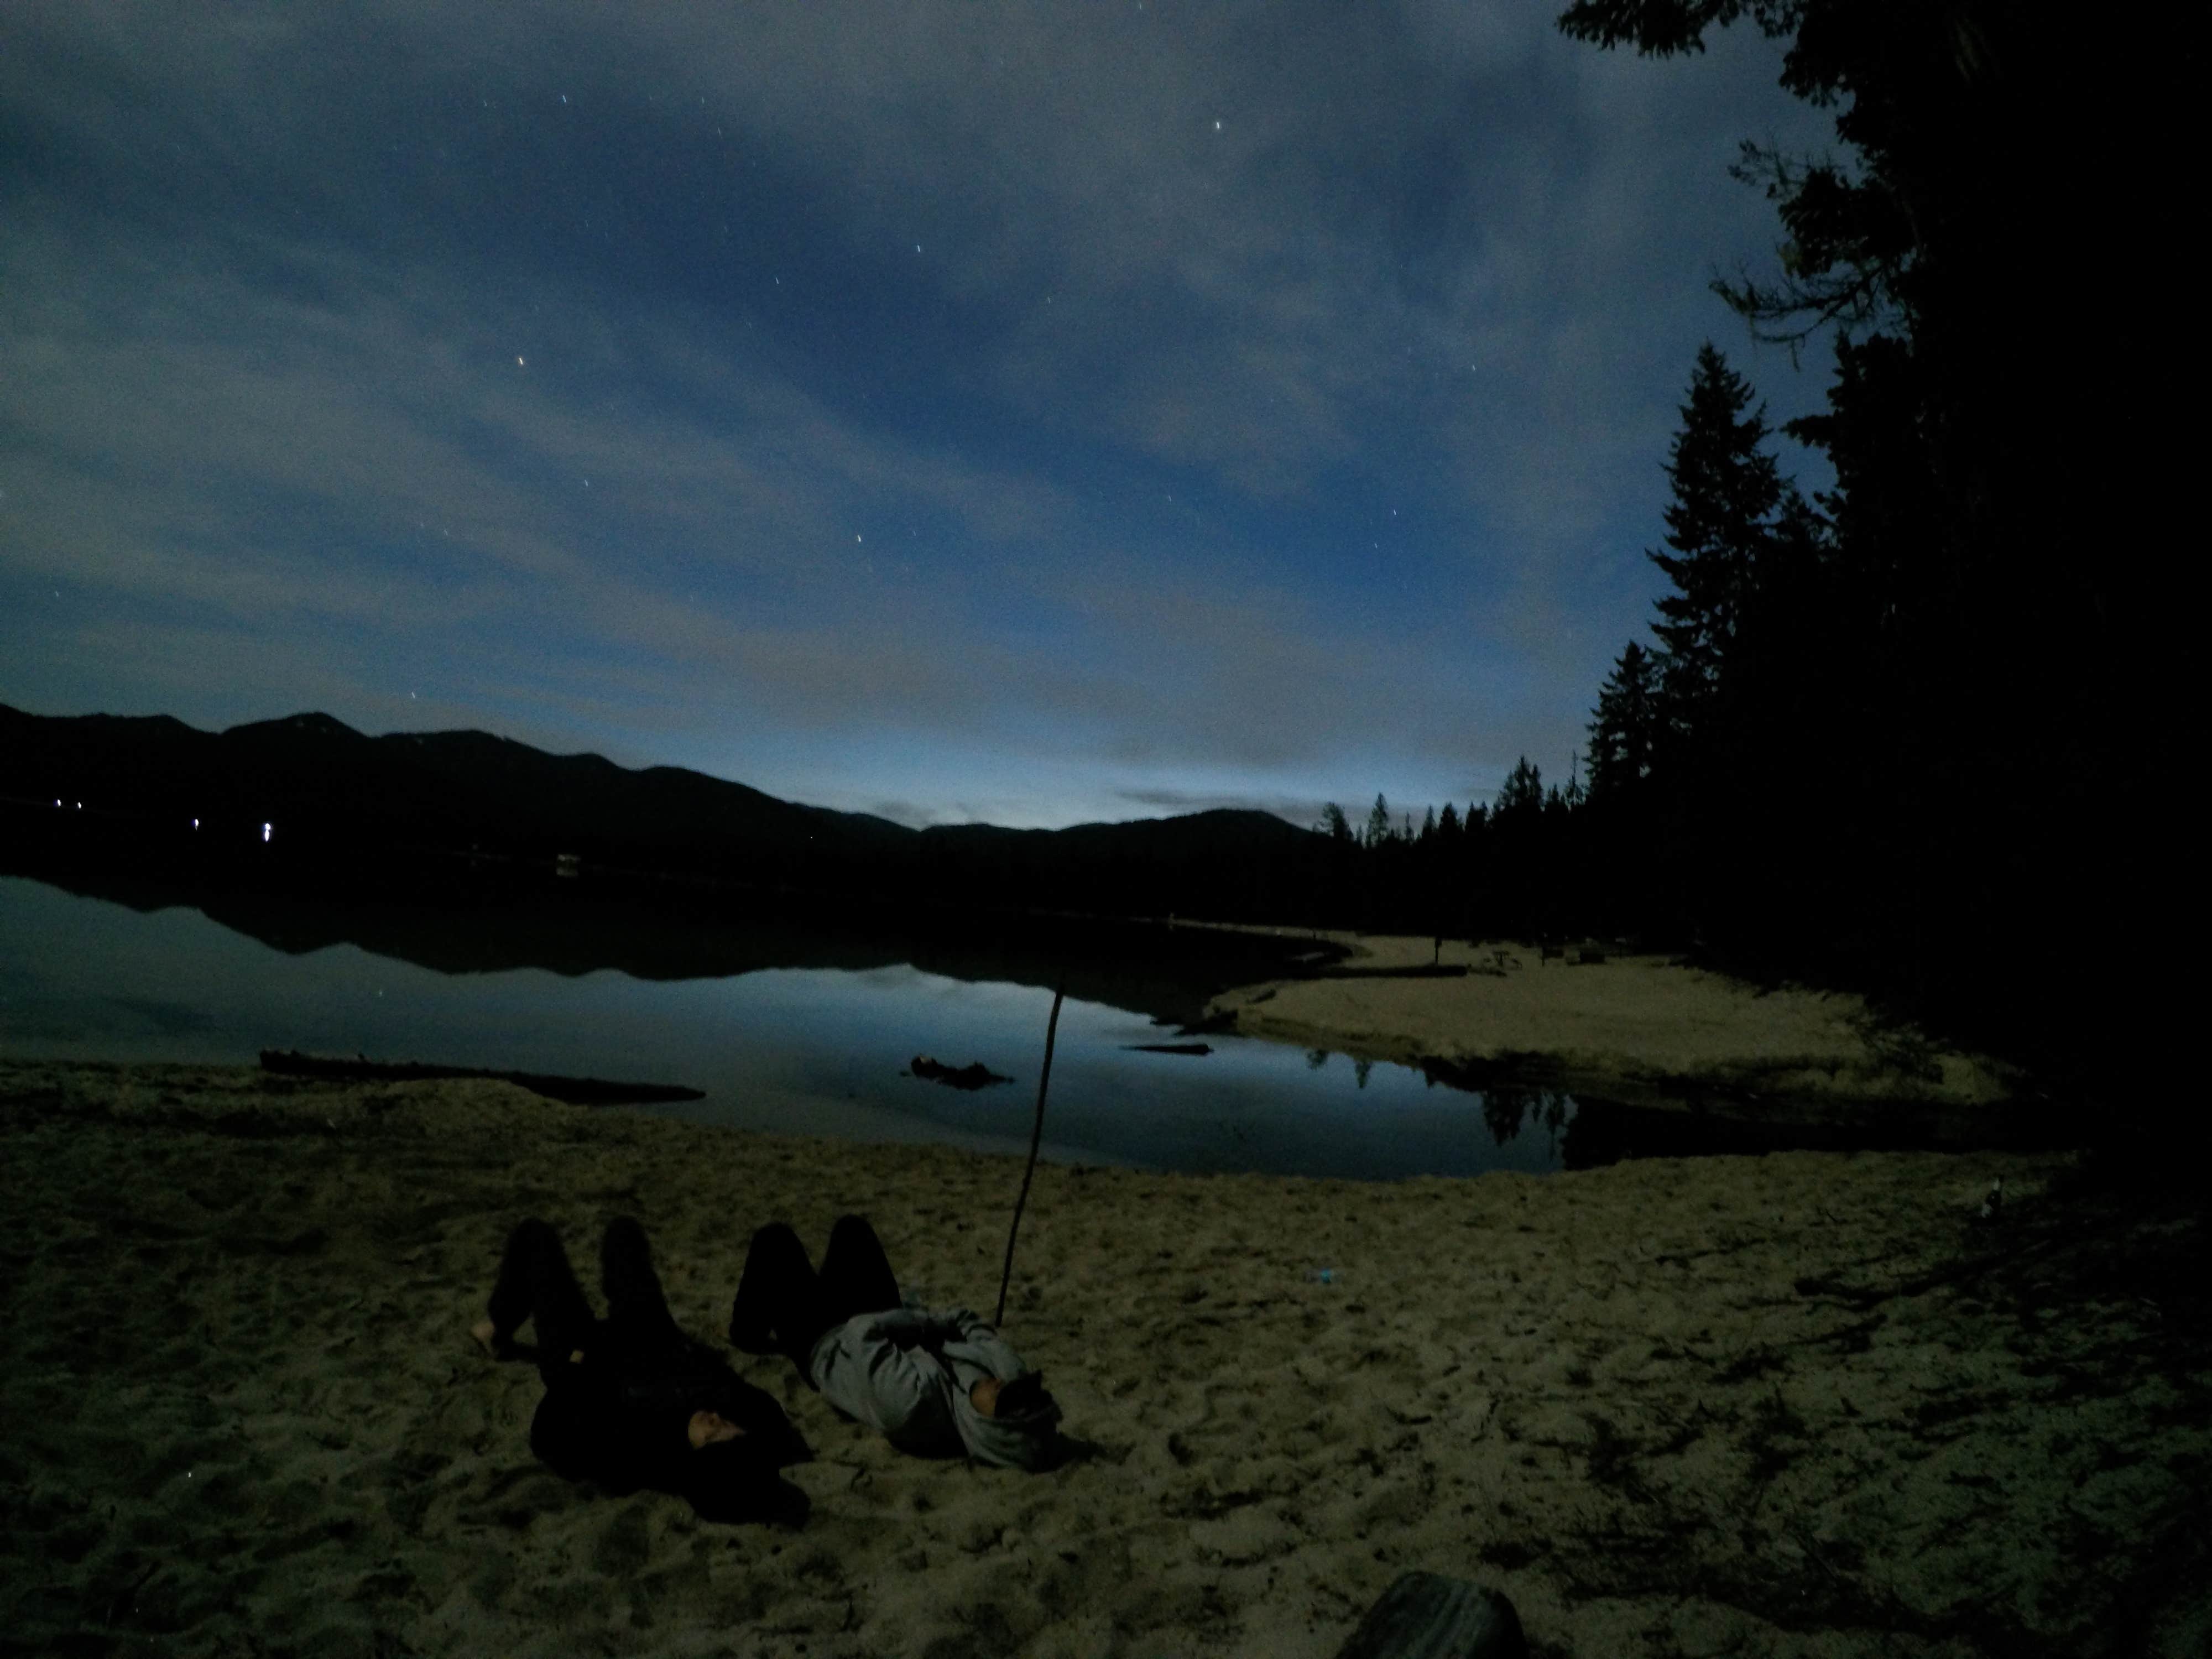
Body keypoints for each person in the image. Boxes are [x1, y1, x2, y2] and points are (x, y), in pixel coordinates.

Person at [474, 1215, 811, 1523]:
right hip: (652, 1334)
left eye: (711, 1436)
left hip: (590, 1353)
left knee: (536, 1238)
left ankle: (497, 1326)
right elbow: (768, 1418)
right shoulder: (741, 1431)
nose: (715, 1420)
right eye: (729, 1428)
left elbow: (548, 1436)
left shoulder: (635, 1452)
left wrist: (576, 1369)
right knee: (623, 1232)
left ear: (696, 1460)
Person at [728, 1214, 1062, 1470]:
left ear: (989, 1429)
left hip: (829, 1343)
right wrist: (923, 1322)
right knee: (852, 1229)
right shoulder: (1007, 1372)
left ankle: (745, 1332)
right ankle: (819, 1289)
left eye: (1004, 1400)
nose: (1003, 1385)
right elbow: (968, 1321)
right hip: (888, 1323)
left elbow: (860, 1332)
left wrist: (916, 1325)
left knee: (775, 1241)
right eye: (1017, 1389)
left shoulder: (913, 1407)